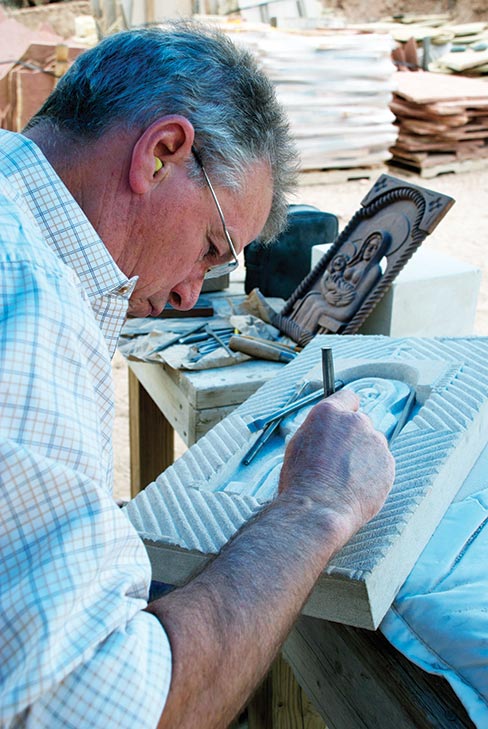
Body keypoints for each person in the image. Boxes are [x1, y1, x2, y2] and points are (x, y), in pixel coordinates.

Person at [0, 21, 395, 729]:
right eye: (212, 248)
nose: (190, 294)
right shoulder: (28, 297)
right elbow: (104, 707)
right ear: (160, 154)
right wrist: (314, 507)